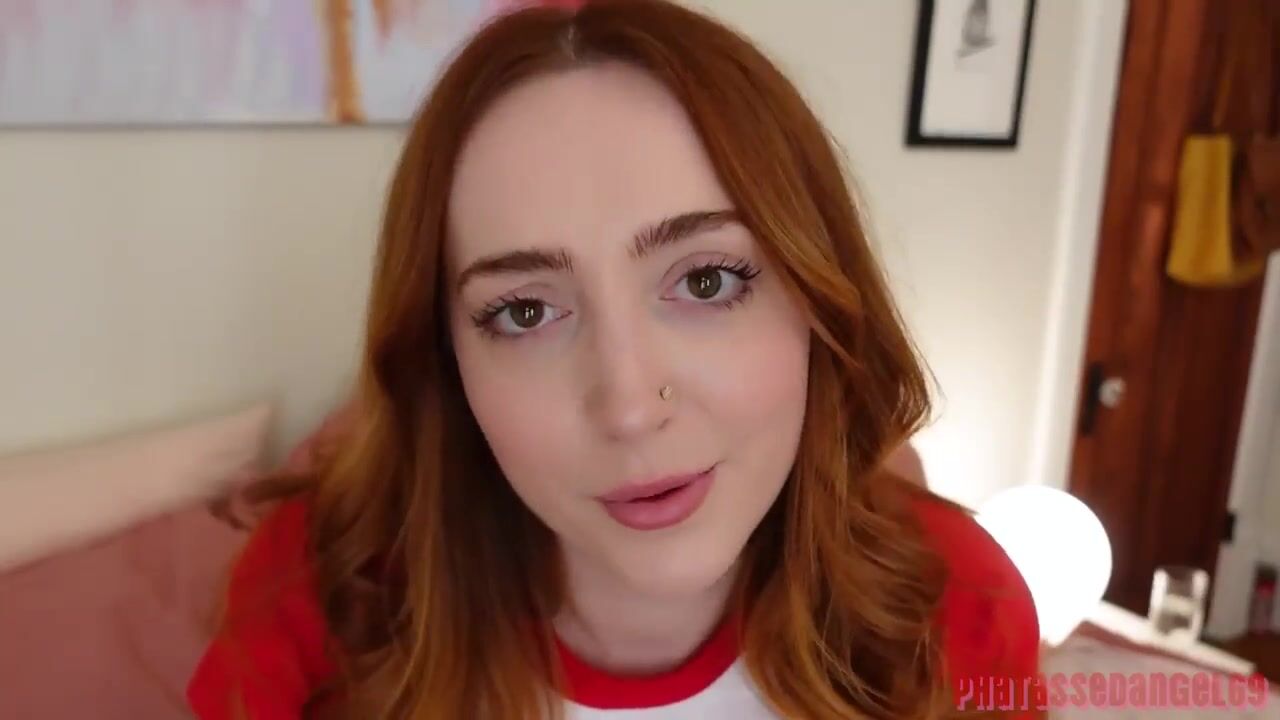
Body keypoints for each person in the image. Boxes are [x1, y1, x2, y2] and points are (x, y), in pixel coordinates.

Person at [187, 1, 1039, 718]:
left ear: (821, 301)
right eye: (525, 312)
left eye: (706, 281)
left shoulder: (958, 604)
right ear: (446, 363)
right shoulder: (314, 598)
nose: (630, 407)